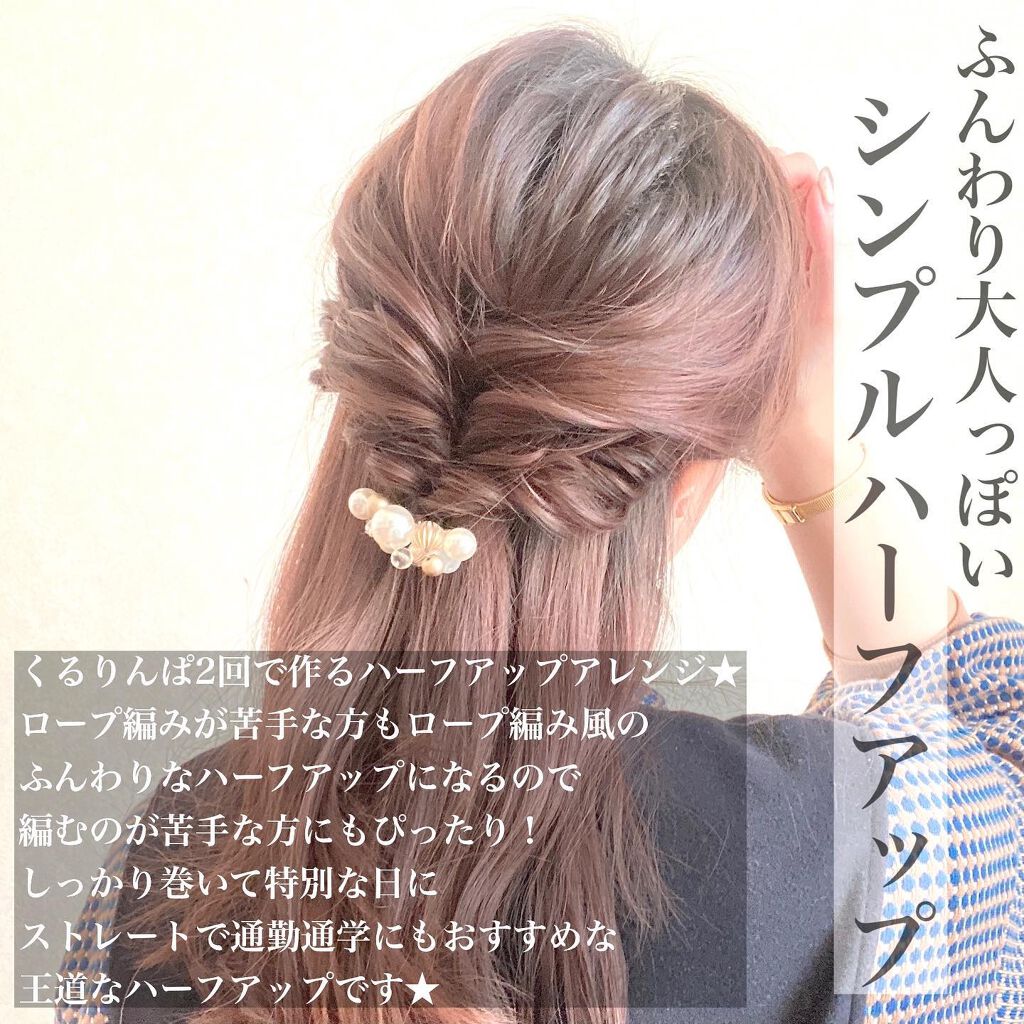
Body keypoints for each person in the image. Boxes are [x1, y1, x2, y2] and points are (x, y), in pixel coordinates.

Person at [57, 24, 1024, 1024]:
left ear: (374, 405)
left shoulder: (173, 864)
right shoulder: (825, 855)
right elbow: (1003, 741)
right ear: (689, 479)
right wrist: (808, 444)